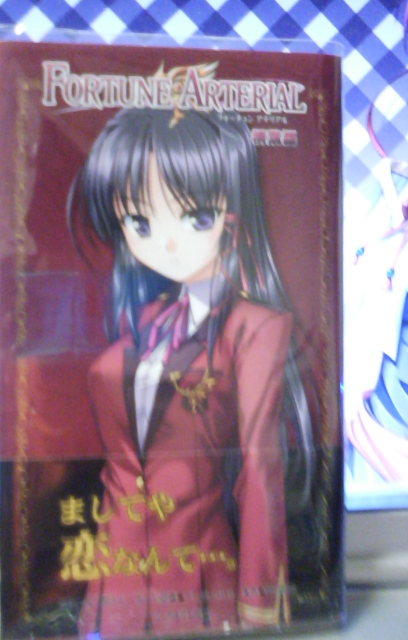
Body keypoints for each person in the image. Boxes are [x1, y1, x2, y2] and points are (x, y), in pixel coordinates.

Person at [68, 101, 313, 637]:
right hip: (117, 582)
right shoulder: (146, 322)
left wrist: (257, 608)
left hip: (201, 587)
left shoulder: (254, 329)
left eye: (195, 216)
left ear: (230, 216)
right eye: (139, 222)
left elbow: (259, 473)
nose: (167, 242)